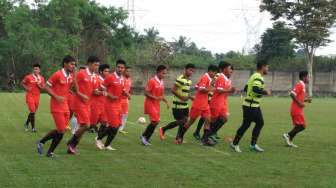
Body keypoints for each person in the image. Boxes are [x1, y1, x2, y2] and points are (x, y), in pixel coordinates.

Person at [36, 55, 76, 158]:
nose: (73, 66)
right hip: (56, 106)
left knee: (60, 130)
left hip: (65, 106)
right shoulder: (57, 74)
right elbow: (46, 87)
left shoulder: (71, 76)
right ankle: (50, 152)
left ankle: (41, 142)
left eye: (74, 65)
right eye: (71, 64)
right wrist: (56, 96)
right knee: (61, 131)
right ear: (65, 64)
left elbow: (70, 87)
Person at [230, 61, 271, 153]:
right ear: (263, 67)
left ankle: (253, 145)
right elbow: (255, 89)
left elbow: (246, 88)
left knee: (260, 123)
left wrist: (259, 91)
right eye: (267, 67)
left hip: (254, 105)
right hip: (250, 106)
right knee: (246, 125)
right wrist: (265, 92)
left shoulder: (254, 76)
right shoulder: (258, 77)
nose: (268, 69)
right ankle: (234, 143)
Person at [176, 64, 218, 146]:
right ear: (210, 71)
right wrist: (211, 87)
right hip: (198, 104)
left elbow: (197, 86)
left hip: (205, 104)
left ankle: (205, 140)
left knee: (208, 119)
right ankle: (180, 137)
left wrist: (209, 86)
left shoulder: (209, 78)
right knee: (191, 121)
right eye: (215, 73)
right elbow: (201, 89)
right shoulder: (205, 77)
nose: (215, 75)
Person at [67, 56, 100, 154]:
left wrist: (100, 91)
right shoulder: (81, 74)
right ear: (89, 64)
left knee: (83, 127)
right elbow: (71, 88)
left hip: (88, 104)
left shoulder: (94, 76)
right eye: (95, 65)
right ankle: (72, 143)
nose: (97, 67)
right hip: (79, 103)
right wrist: (81, 95)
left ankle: (72, 147)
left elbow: (93, 91)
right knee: (86, 125)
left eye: (98, 65)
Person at [95, 60, 126, 150]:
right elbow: (101, 88)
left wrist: (126, 93)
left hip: (119, 105)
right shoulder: (110, 77)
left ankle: (106, 144)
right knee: (114, 126)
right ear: (116, 67)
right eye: (119, 67)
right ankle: (98, 138)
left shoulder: (123, 79)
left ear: (124, 69)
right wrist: (109, 95)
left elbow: (122, 90)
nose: (120, 69)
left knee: (118, 125)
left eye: (122, 68)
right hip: (110, 105)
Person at [159, 63, 195, 141]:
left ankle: (178, 138)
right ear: (185, 69)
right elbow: (173, 90)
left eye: (192, 71)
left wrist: (190, 97)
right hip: (177, 105)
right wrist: (181, 97)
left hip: (185, 105)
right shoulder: (180, 79)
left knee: (184, 122)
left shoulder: (189, 81)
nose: (191, 72)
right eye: (190, 70)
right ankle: (163, 129)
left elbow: (185, 92)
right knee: (183, 121)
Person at [140, 65, 169, 146]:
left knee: (156, 122)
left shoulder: (162, 82)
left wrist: (166, 101)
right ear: (158, 72)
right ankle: (144, 137)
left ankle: (144, 136)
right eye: (163, 73)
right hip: (150, 103)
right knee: (155, 121)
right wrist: (155, 97)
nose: (164, 75)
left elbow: (161, 95)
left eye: (165, 73)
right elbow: (146, 93)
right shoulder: (152, 81)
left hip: (157, 104)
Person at [208, 61, 236, 142]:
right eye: (229, 68)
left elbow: (226, 91)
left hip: (223, 102)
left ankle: (211, 134)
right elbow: (219, 90)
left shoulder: (228, 79)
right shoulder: (221, 77)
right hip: (216, 102)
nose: (231, 70)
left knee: (224, 118)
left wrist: (231, 91)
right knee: (213, 120)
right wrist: (229, 90)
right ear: (224, 69)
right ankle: (206, 137)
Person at [283, 71, 311, 148]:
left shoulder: (303, 85)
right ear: (304, 77)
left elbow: (299, 98)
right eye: (308, 77)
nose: (309, 78)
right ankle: (287, 135)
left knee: (298, 126)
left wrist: (306, 100)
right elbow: (292, 94)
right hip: (296, 109)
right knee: (302, 126)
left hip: (298, 109)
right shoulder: (300, 85)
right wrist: (299, 103)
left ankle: (289, 141)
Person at [21, 63, 45, 132]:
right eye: (34, 69)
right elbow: (22, 83)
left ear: (39, 70)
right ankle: (33, 128)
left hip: (37, 96)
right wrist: (26, 88)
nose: (35, 70)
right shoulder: (28, 77)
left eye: (37, 69)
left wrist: (38, 85)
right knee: (32, 111)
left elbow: (42, 88)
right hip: (30, 96)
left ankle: (26, 124)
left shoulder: (42, 78)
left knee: (33, 112)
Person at [89, 64, 110, 135]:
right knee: (90, 124)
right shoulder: (96, 79)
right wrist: (102, 92)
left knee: (105, 122)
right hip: (96, 105)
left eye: (108, 71)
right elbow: (93, 92)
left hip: (104, 105)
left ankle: (98, 139)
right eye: (106, 71)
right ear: (101, 72)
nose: (108, 73)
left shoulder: (107, 81)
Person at [119, 66, 133, 134]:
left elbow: (128, 89)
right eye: (128, 71)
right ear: (124, 71)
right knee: (118, 114)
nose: (129, 73)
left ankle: (121, 128)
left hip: (125, 100)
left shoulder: (129, 79)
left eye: (130, 71)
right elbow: (123, 90)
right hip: (119, 99)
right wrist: (128, 95)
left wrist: (129, 93)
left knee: (125, 114)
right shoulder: (122, 79)